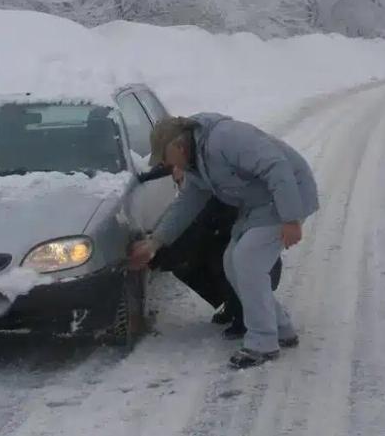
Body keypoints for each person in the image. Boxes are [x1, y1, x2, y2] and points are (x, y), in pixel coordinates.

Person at [129, 114, 319, 369]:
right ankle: (281, 327)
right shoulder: (196, 165)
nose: (164, 164)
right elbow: (186, 204)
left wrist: (291, 218)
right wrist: (155, 242)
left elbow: (276, 166)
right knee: (232, 262)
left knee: (248, 260)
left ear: (179, 146)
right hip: (259, 205)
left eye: (164, 156)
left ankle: (262, 342)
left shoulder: (225, 139)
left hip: (288, 194)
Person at [137, 163, 282, 339]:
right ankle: (232, 304)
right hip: (227, 241)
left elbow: (188, 237)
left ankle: (244, 316)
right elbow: (167, 166)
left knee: (218, 262)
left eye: (181, 179)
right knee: (201, 260)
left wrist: (152, 257)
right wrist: (141, 177)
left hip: (253, 260)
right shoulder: (195, 170)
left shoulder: (210, 198)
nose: (178, 183)